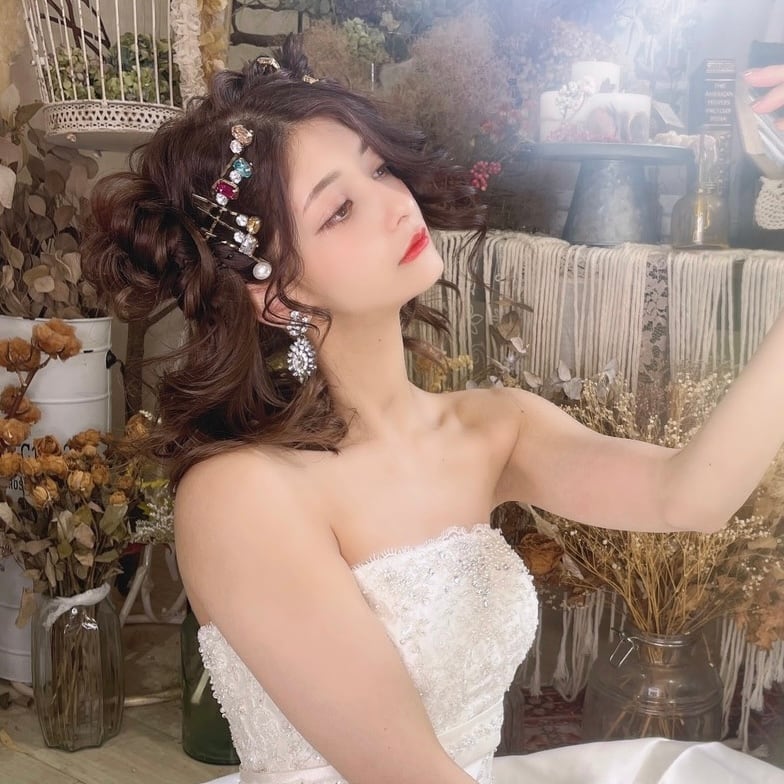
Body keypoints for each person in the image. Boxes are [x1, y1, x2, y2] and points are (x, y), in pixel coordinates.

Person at [83, 37, 784, 784]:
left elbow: (693, 495)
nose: (394, 204)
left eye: (378, 168)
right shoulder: (242, 495)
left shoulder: (493, 426)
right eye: (339, 210)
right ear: (279, 296)